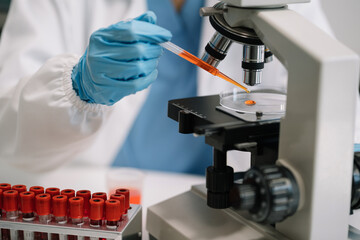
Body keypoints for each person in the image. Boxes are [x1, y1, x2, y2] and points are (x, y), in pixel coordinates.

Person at [0, 0, 358, 174]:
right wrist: (77, 87)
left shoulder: (286, 4)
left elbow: (338, 113)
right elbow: (7, 138)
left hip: (221, 207)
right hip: (92, 199)